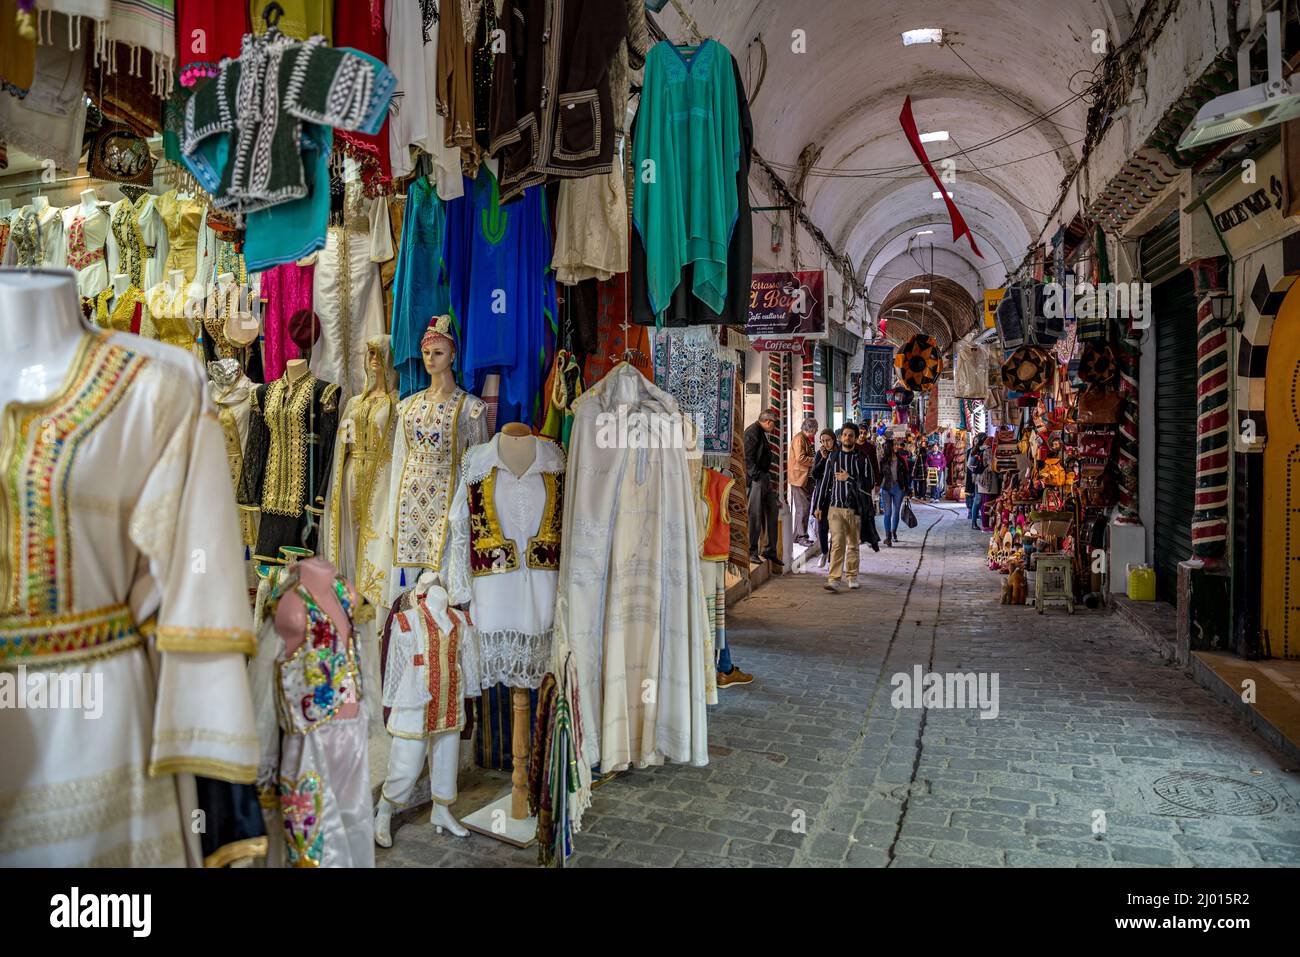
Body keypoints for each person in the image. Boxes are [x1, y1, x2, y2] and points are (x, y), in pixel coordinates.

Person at [813, 422, 873, 591]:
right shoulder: (833, 457)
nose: (847, 438)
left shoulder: (862, 458)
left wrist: (850, 478)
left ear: (855, 438)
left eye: (851, 435)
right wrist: (818, 506)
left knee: (853, 544)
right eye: (845, 435)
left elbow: (869, 483)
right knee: (837, 543)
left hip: (855, 508)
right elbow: (825, 482)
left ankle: (852, 576)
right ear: (840, 437)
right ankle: (833, 578)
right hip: (835, 507)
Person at [744, 409, 781, 564]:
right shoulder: (752, 432)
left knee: (772, 510)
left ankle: (770, 550)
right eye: (774, 424)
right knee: (755, 515)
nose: (774, 427)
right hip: (756, 479)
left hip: (764, 478)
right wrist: (756, 476)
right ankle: (752, 551)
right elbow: (748, 457)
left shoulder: (761, 433)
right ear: (768, 422)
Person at [788, 415, 818, 547]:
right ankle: (802, 537)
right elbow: (800, 458)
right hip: (799, 478)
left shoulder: (805, 439)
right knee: (803, 508)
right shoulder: (799, 439)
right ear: (810, 429)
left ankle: (796, 535)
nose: (816, 432)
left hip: (804, 478)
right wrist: (815, 460)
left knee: (803, 508)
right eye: (815, 429)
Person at [810, 428, 837, 564]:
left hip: (836, 496)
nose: (826, 443)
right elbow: (814, 474)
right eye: (823, 441)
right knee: (822, 527)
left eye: (828, 440)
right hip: (822, 495)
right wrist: (823, 459)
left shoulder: (839, 454)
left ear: (833, 440)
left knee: (835, 528)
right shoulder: (820, 454)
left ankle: (833, 557)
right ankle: (824, 552)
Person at [878, 436, 909, 547]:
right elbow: (880, 475)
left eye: (897, 444)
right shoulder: (883, 460)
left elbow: (906, 475)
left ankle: (894, 532)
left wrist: (907, 490)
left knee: (896, 512)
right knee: (888, 512)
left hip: (898, 488)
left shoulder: (901, 460)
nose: (896, 446)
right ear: (889, 447)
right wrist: (877, 486)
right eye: (894, 445)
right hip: (886, 488)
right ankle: (888, 536)